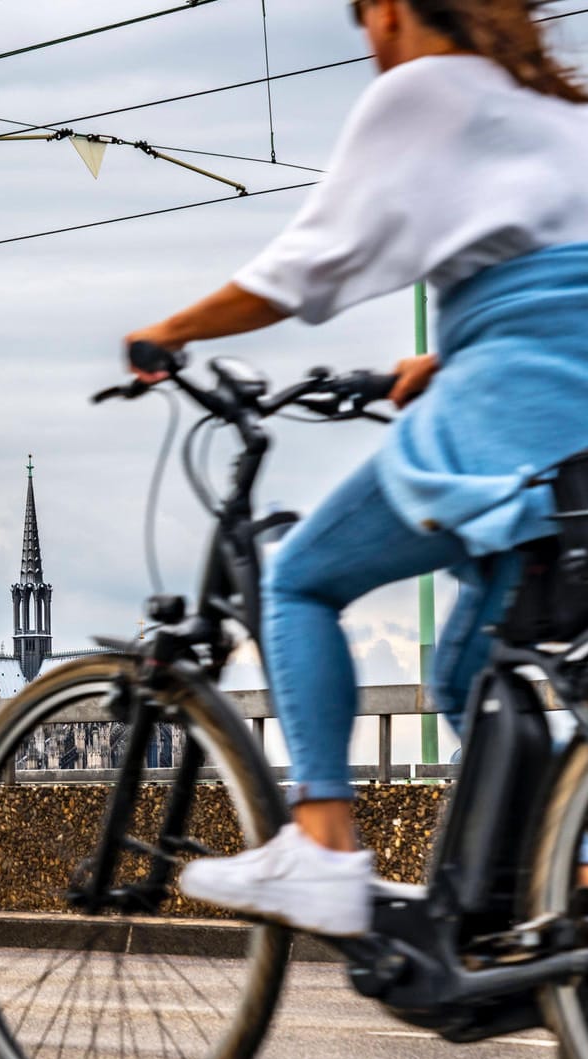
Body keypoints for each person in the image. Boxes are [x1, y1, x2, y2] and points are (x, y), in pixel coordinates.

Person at [124, 0, 588, 936]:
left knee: (299, 577)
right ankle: (560, 883)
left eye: (364, 19)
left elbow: (302, 267)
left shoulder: (422, 87)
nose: (368, 41)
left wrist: (164, 333)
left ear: (390, 8)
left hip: (513, 421)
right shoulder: (563, 115)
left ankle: (323, 846)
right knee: (465, 673)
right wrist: (450, 354)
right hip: (568, 424)